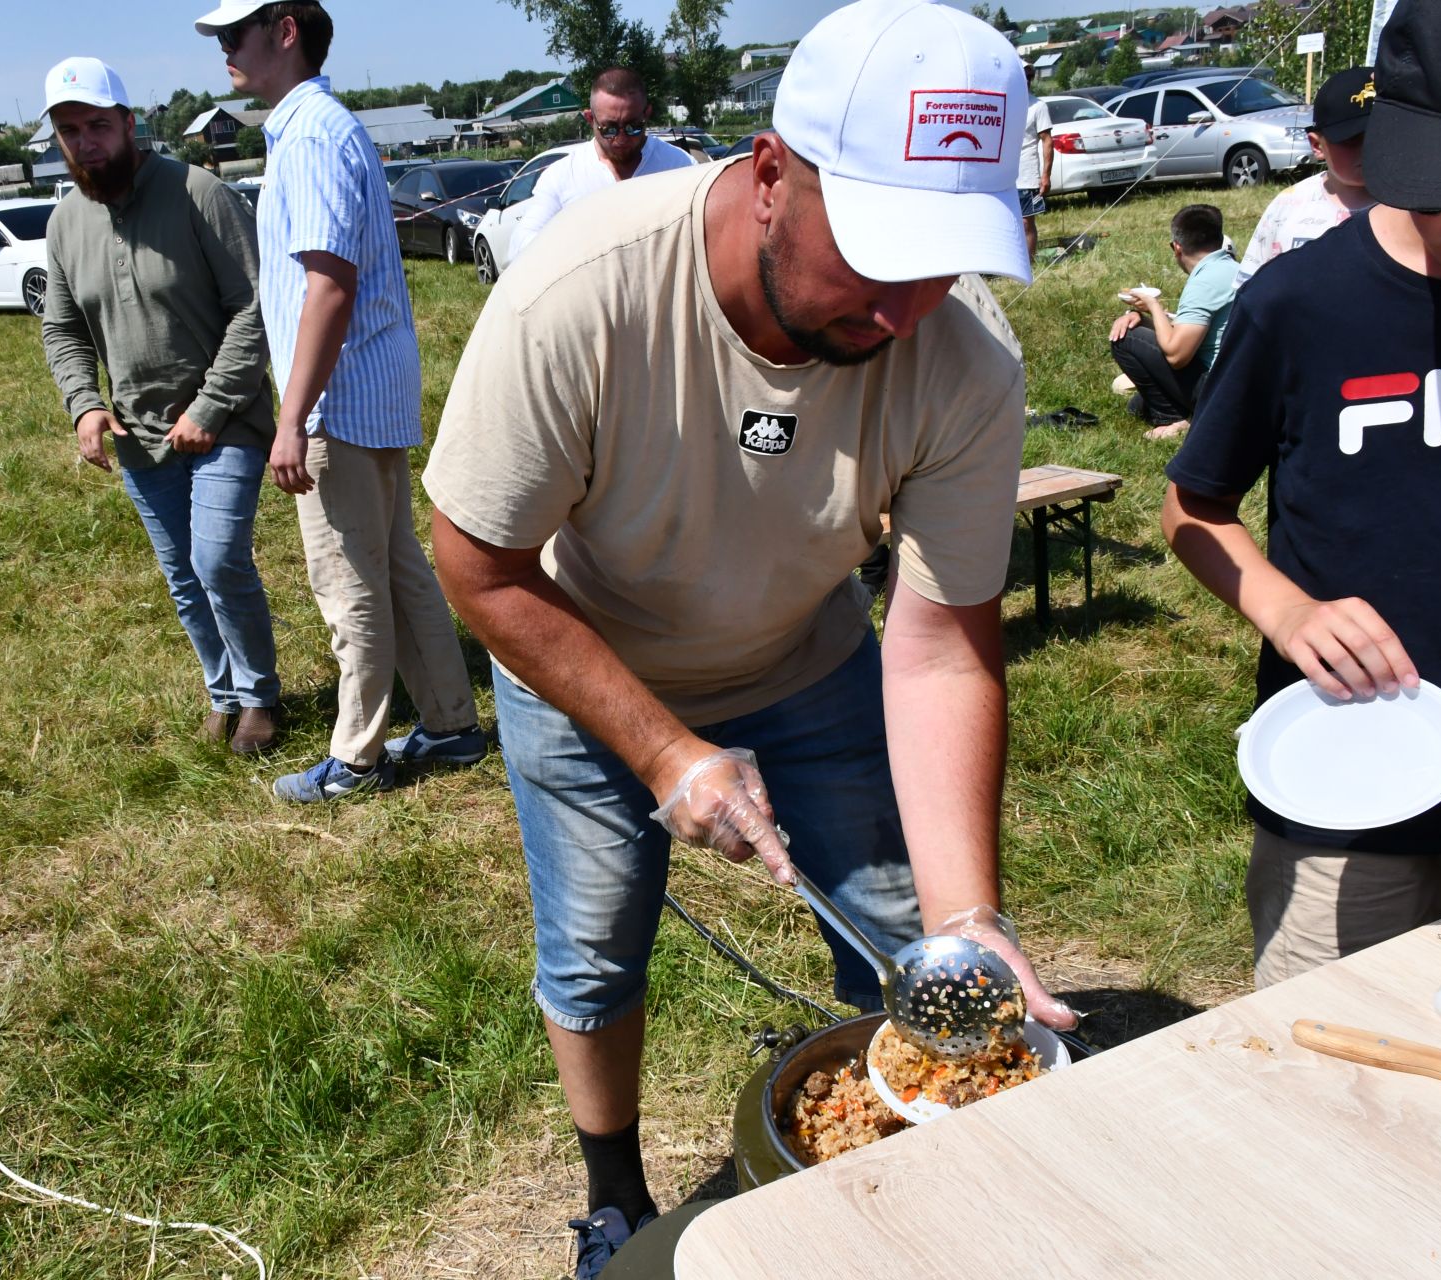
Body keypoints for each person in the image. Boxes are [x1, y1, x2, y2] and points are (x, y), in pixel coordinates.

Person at [422, 2, 1077, 1273]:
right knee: (596, 946)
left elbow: (940, 641)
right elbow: (479, 565)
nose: (905, 309)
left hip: (805, 658)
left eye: (944, 258)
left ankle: (913, 1163)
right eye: (881, 254)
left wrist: (969, 916)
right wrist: (667, 752)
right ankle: (614, 1185)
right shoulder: (582, 288)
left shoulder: (960, 357)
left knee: (896, 920)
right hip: (581, 659)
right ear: (772, 172)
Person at [1161, 0, 1441, 989]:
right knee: (1323, 1078)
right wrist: (1288, 607)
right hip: (1345, 778)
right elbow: (1193, 508)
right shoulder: (1300, 303)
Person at [194, 1, 485, 801]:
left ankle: (358, 760)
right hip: (363, 391)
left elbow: (328, 285)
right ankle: (453, 726)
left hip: (336, 401)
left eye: (235, 33)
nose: (223, 49)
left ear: (285, 31)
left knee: (346, 581)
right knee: (395, 566)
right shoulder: (317, 129)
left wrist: (291, 418)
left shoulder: (313, 135)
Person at [39, 56, 282, 754]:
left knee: (216, 559)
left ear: (127, 123)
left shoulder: (199, 193)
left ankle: (260, 696)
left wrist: (209, 408)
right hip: (140, 434)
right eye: (68, 131)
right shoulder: (65, 223)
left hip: (226, 420)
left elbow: (254, 304)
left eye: (96, 126)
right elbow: (60, 327)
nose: (84, 142)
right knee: (181, 576)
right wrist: (85, 404)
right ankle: (223, 691)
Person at [505, 67, 695, 263]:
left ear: (647, 113)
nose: (621, 138)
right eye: (609, 129)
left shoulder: (680, 166)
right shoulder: (562, 176)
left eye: (633, 127)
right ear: (590, 119)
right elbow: (519, 247)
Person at [1233, 66, 1377, 288]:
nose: (1367, 149)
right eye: (1351, 140)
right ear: (1317, 145)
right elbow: (1250, 289)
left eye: (1378, 136)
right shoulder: (1289, 205)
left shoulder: (1414, 207)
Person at [1107, 203, 1238, 441]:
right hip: (1239, 381)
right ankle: (1185, 414)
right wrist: (1147, 318)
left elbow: (1178, 356)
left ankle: (1172, 417)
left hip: (1219, 387)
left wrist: (1154, 305)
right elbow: (1197, 332)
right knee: (1137, 406)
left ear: (1176, 248)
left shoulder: (1204, 281)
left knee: (1126, 339)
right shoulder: (1232, 269)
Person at [1016, 94, 1053, 262]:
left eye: (1031, 76)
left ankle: (1027, 264)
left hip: (1027, 175)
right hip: (1004, 176)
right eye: (1025, 75)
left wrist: (1046, 175)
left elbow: (1047, 141)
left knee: (1026, 223)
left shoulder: (1038, 106)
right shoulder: (1005, 101)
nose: (1028, 80)